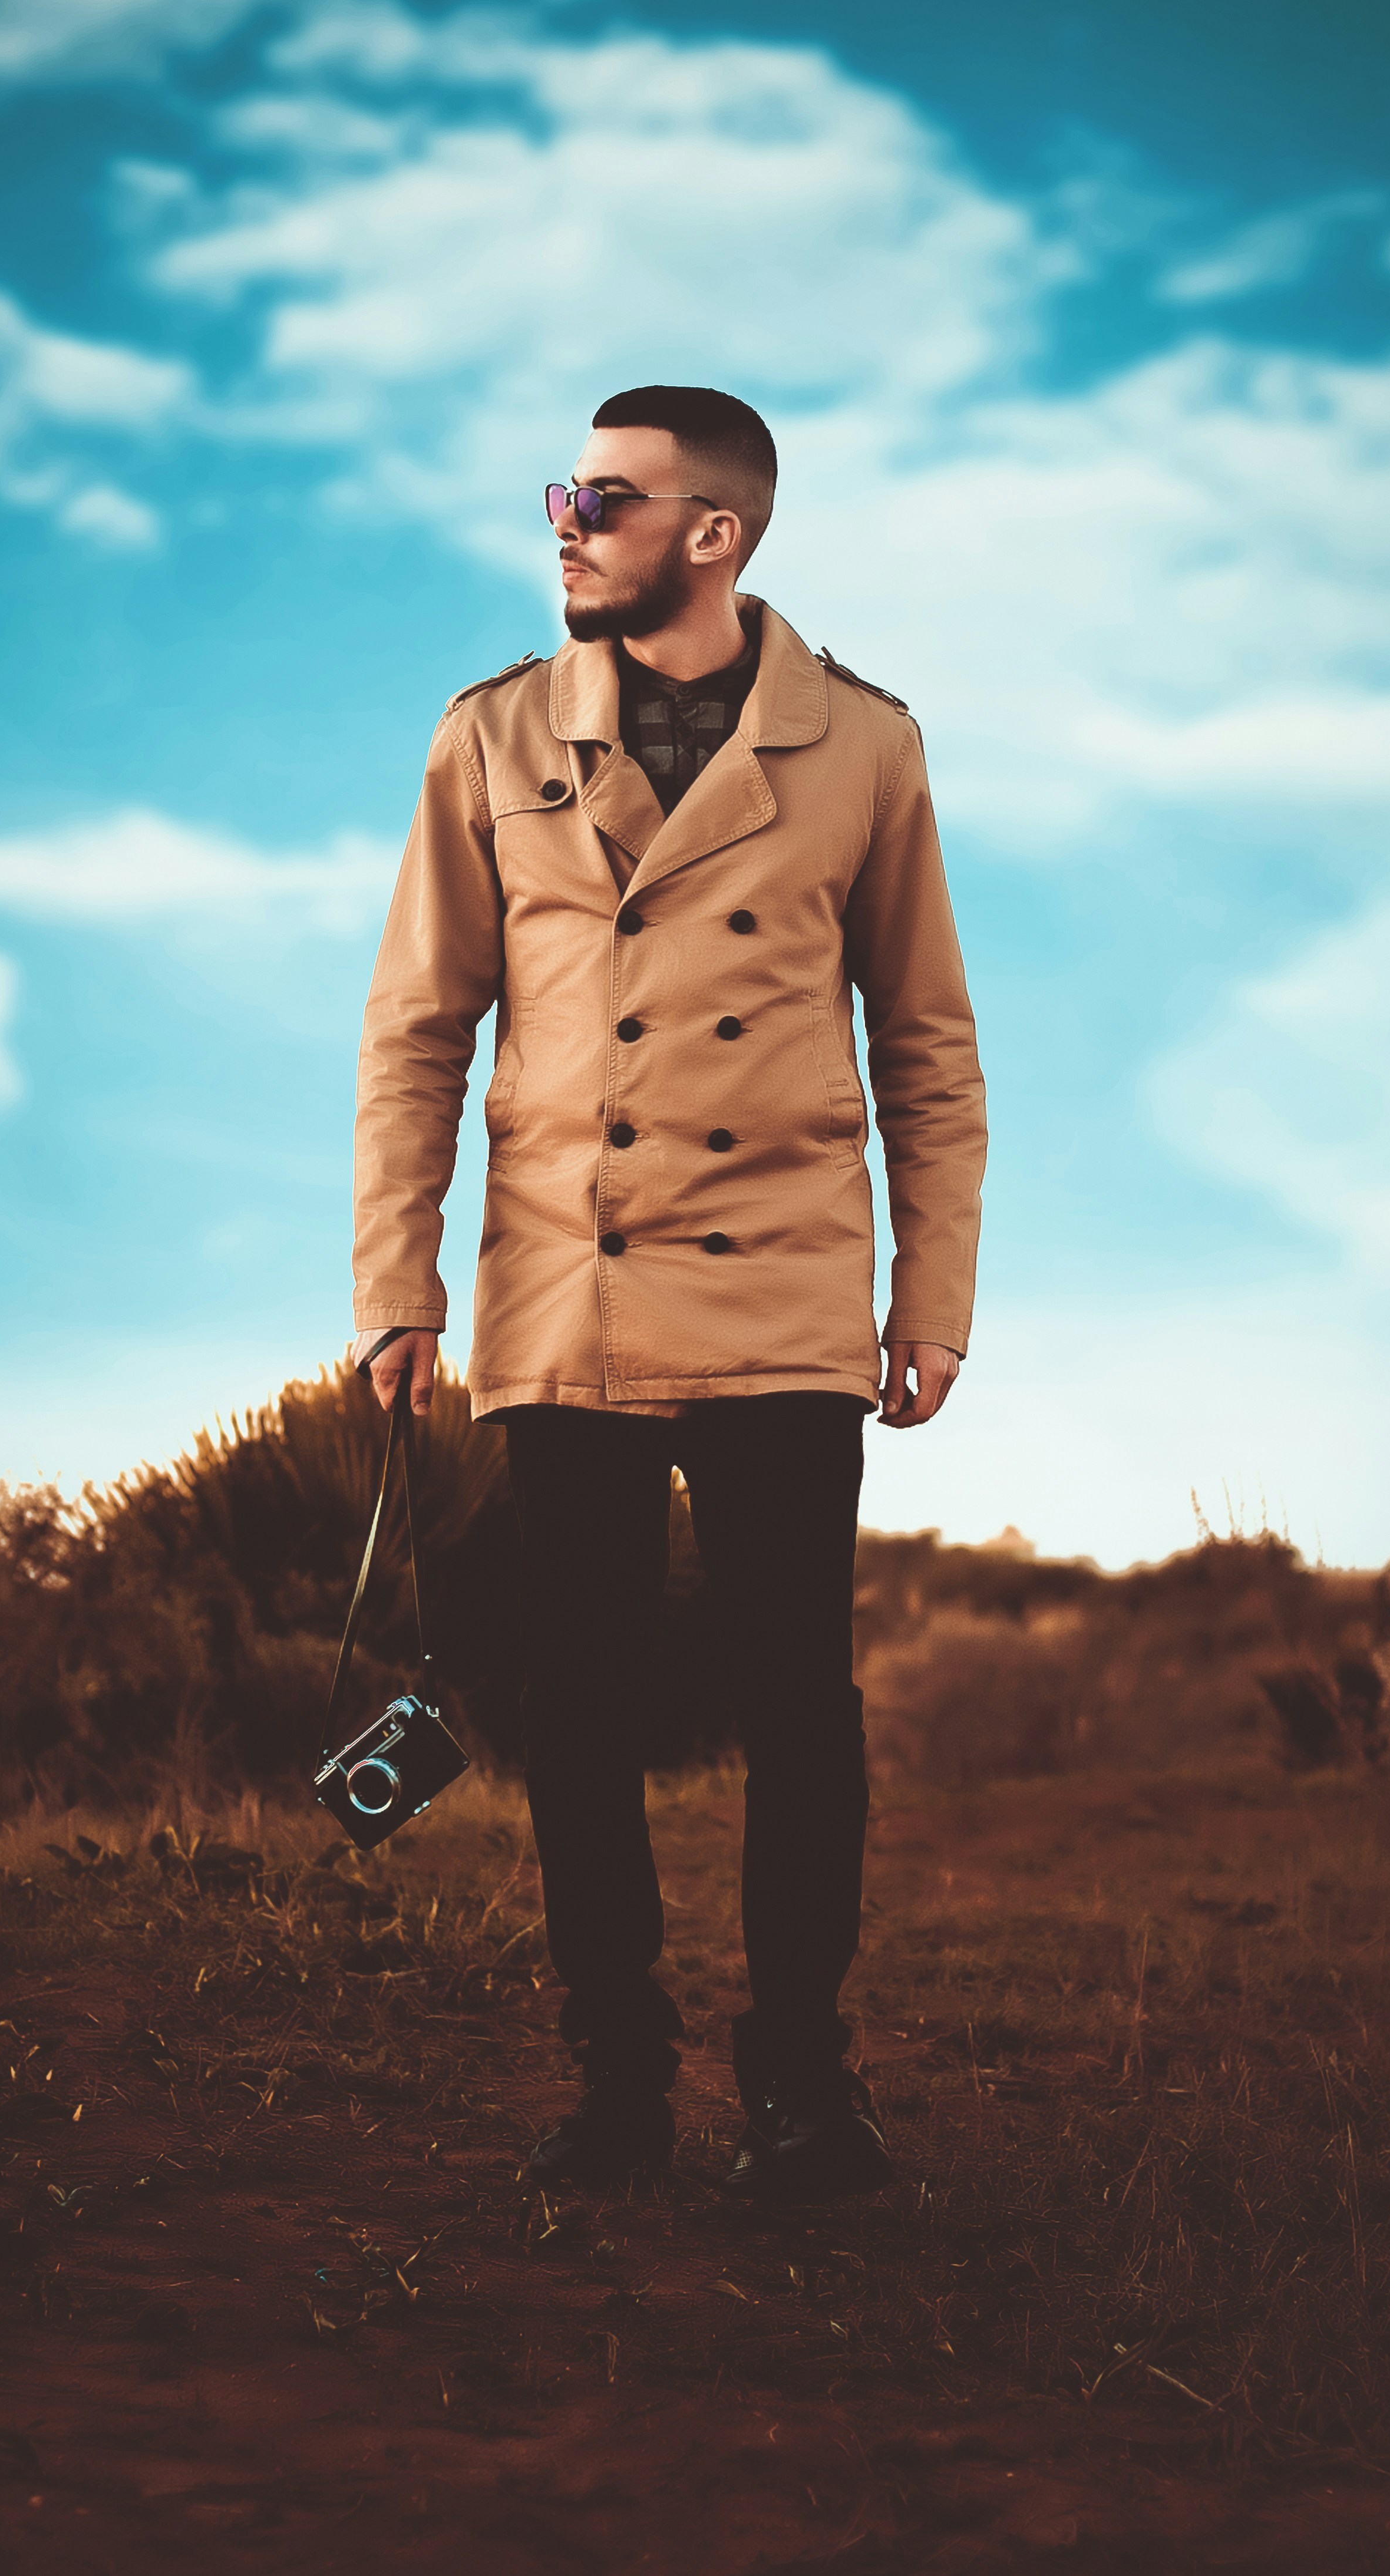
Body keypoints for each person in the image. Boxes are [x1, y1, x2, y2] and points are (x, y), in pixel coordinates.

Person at [351, 385, 986, 2207]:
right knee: (582, 1697)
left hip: (785, 1285)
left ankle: (803, 2082)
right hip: (566, 1286)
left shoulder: (863, 748)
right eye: (564, 490)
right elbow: (418, 1030)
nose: (565, 521)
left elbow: (928, 1039)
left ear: (714, 532)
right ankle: (616, 2076)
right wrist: (400, 1282)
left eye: (604, 498)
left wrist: (929, 1290)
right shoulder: (489, 739)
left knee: (801, 1697)